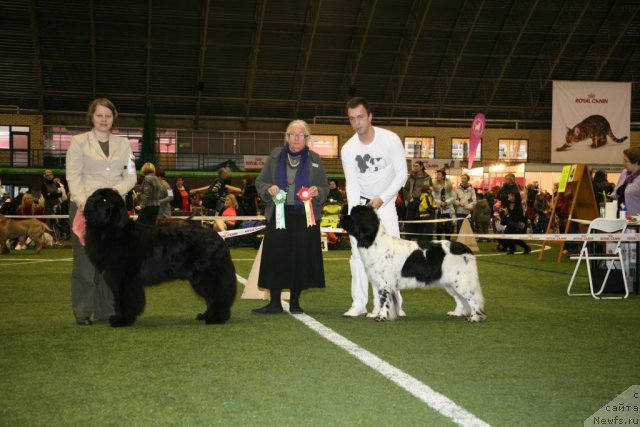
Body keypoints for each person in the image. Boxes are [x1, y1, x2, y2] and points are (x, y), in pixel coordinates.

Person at [66, 97, 137, 326]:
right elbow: (73, 177)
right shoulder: (78, 142)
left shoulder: (124, 144)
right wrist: (85, 202)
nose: (104, 119)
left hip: (114, 213)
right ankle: (83, 311)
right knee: (85, 262)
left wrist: (115, 194)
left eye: (108, 115)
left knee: (112, 262)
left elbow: (131, 177)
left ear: (113, 118)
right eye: (99, 115)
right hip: (86, 209)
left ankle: (107, 310)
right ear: (92, 117)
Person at [253, 119, 329, 314]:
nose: (296, 138)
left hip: (305, 215)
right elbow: (260, 181)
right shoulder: (275, 156)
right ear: (287, 137)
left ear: (306, 138)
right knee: (276, 257)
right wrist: (268, 188)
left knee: (301, 258)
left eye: (300, 135)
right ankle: (275, 303)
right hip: (279, 213)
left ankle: (295, 303)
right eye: (292, 134)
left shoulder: (315, 159)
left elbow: (325, 188)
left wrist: (316, 191)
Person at [341, 97, 408, 317]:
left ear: (370, 116)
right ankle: (359, 303)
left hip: (385, 204)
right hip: (361, 204)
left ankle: (391, 304)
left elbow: (402, 174)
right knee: (358, 254)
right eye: (352, 119)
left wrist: (383, 198)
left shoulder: (390, 139)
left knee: (390, 255)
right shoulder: (348, 149)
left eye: (360, 117)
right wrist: (354, 215)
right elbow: (352, 184)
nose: (357, 123)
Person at [403, 161, 432, 240]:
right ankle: (407, 239)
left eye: (416, 166)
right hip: (412, 200)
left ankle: (420, 240)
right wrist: (409, 198)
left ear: (422, 166)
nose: (415, 167)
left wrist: (428, 189)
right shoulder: (411, 176)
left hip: (422, 202)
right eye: (414, 166)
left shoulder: (427, 177)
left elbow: (429, 190)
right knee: (409, 221)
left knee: (421, 221)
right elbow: (405, 189)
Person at [499, 190, 531, 255]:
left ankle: (527, 248)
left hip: (518, 225)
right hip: (510, 224)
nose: (508, 196)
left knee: (516, 239)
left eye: (510, 195)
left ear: (514, 196)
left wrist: (508, 215)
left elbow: (517, 218)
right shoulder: (507, 204)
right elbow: (506, 214)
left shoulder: (519, 206)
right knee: (505, 236)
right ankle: (512, 248)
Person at [613, 147, 640, 216]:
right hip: (619, 216)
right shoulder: (624, 173)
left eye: (626, 161)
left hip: (635, 220)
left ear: (635, 162)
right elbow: (616, 193)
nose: (623, 163)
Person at [432, 169, 455, 240]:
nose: (437, 176)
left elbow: (453, 197)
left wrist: (446, 202)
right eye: (437, 174)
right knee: (438, 228)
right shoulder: (434, 185)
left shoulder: (449, 185)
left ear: (443, 176)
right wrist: (439, 202)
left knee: (448, 229)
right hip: (438, 209)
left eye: (439, 174)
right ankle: (438, 244)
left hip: (448, 210)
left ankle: (448, 244)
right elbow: (433, 197)